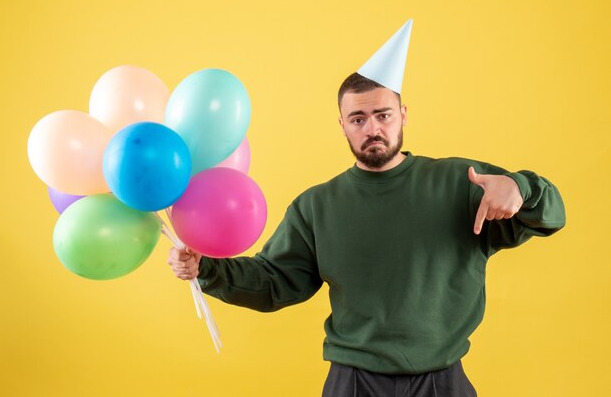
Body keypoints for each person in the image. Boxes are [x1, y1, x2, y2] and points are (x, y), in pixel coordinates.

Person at [167, 22, 566, 397]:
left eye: (383, 115)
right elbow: (274, 281)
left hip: (444, 379)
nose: (372, 128)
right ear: (341, 124)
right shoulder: (316, 206)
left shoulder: (463, 184)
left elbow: (550, 215)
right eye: (358, 118)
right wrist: (208, 269)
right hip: (354, 380)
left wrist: (521, 187)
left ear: (403, 115)